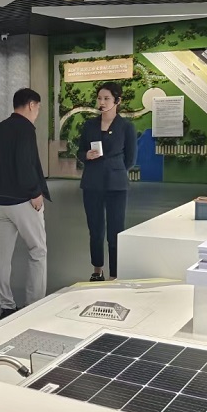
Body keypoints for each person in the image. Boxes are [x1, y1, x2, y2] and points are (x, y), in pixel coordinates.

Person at [0, 88, 50, 319]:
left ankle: (6, 305)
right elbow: (25, 163)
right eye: (38, 107)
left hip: (2, 202)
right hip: (24, 201)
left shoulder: (0, 128)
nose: (38, 111)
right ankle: (35, 304)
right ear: (31, 104)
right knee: (38, 250)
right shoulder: (25, 129)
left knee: (3, 254)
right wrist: (35, 192)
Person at [77, 81, 138, 282]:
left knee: (115, 230)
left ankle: (115, 274)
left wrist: (115, 169)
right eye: (99, 98)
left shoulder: (126, 127)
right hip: (92, 183)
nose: (101, 102)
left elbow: (130, 159)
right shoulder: (89, 125)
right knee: (95, 229)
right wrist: (86, 155)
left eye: (106, 98)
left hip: (116, 185)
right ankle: (97, 269)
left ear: (117, 101)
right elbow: (80, 151)